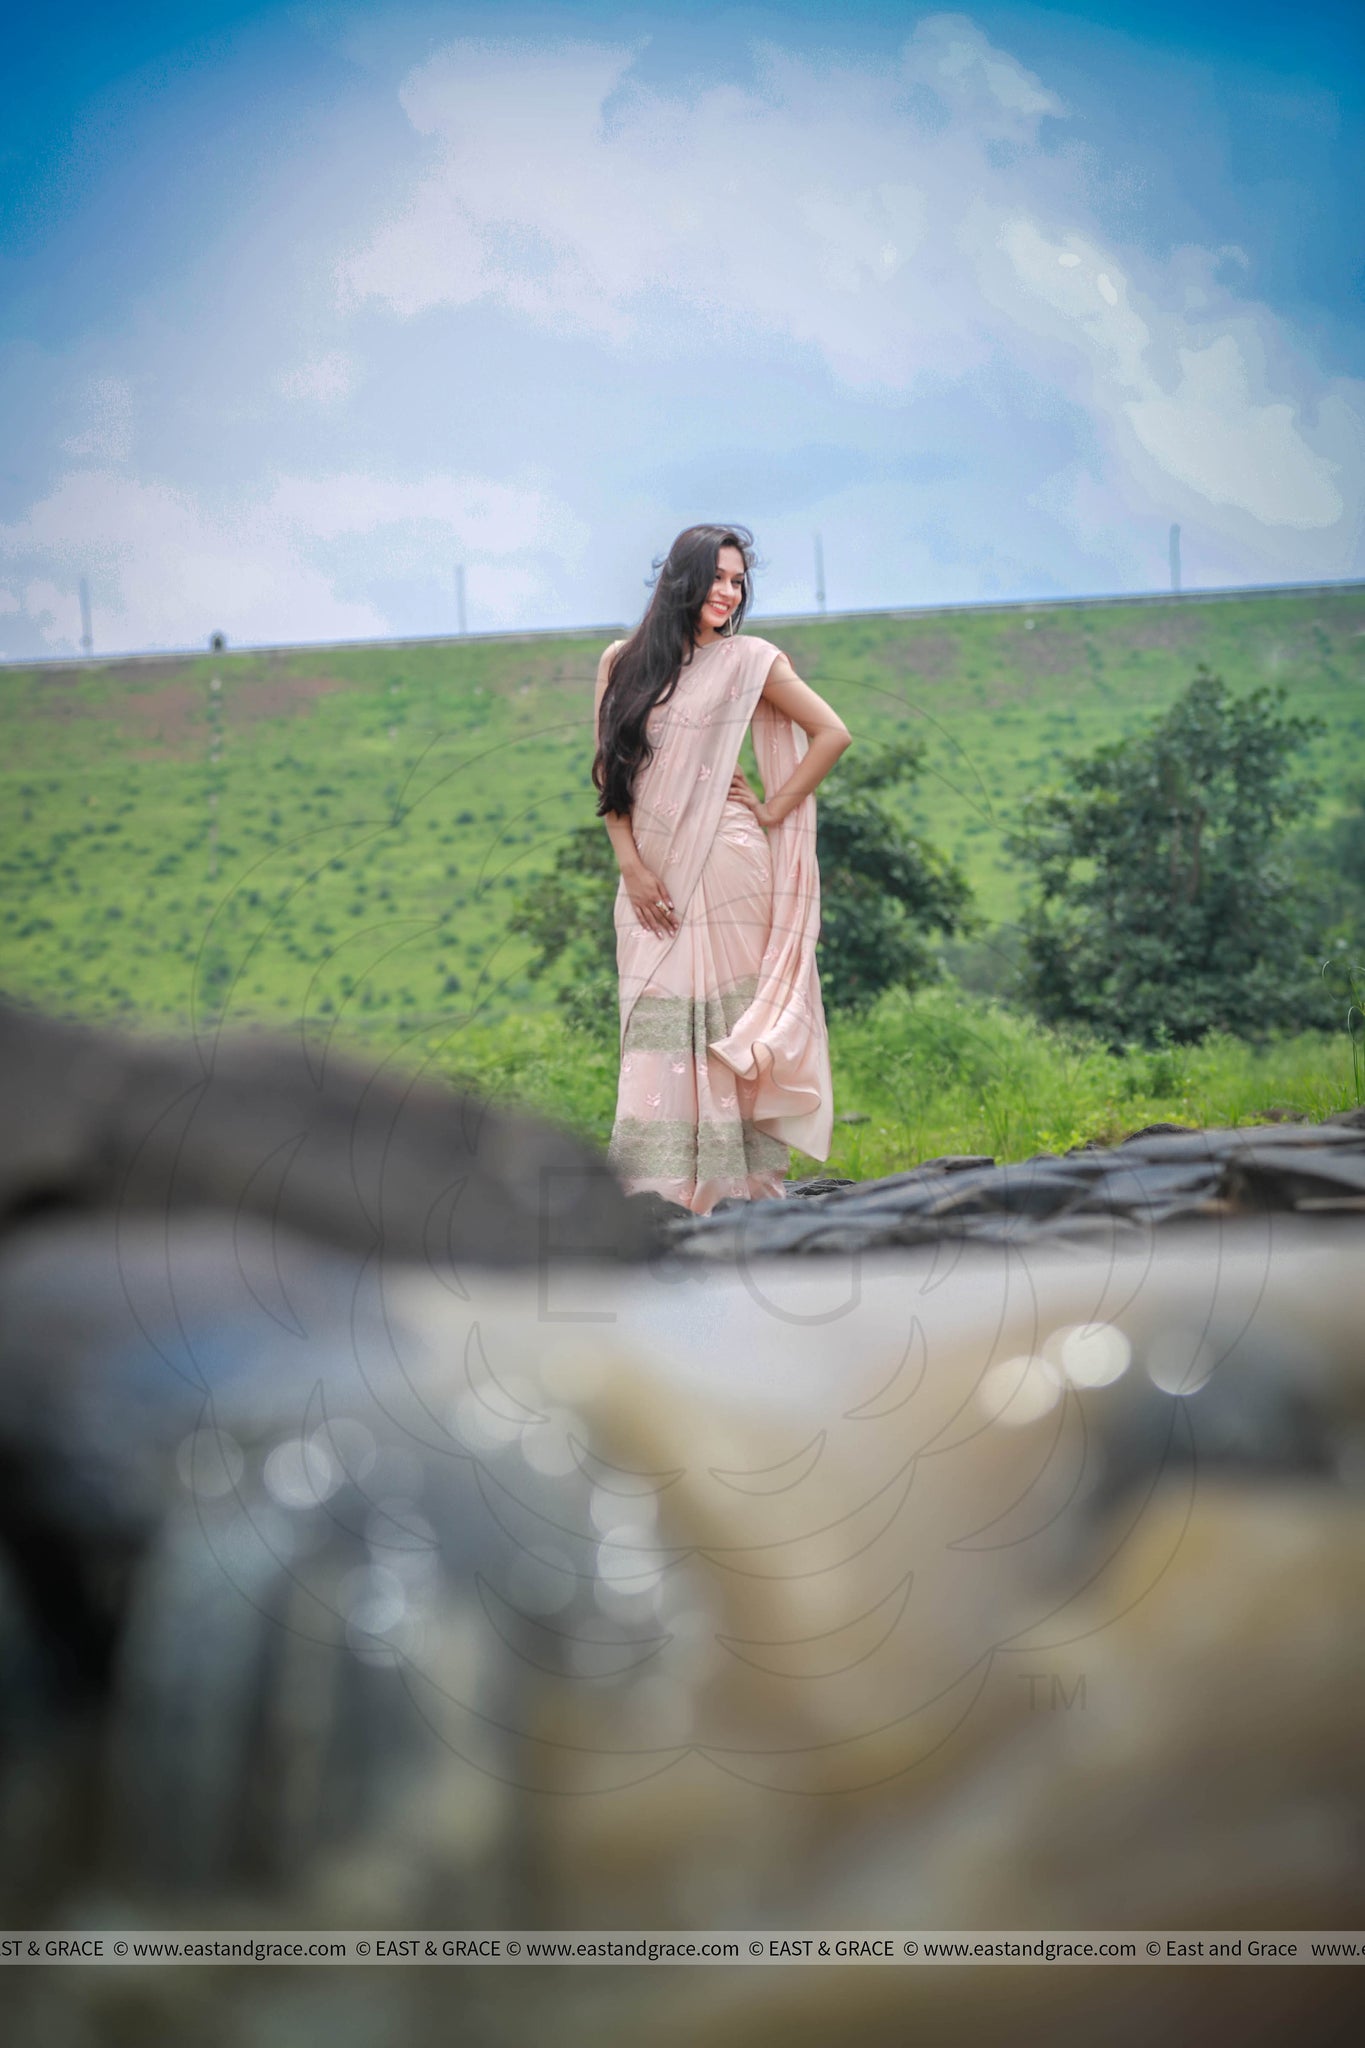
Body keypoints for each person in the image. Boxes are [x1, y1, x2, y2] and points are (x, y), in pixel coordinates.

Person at [592, 524, 852, 1215]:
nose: (728, 593)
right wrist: (631, 870)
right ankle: (655, 1192)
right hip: (649, 869)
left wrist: (772, 810)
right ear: (683, 578)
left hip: (729, 860)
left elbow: (832, 733)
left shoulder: (749, 660)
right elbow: (607, 775)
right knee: (655, 1018)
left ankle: (742, 1194)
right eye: (717, 577)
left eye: (738, 581)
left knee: (724, 1021)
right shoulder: (621, 663)